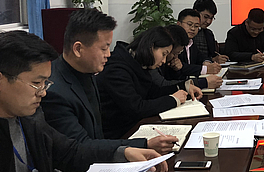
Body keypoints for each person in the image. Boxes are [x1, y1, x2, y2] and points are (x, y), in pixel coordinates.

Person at [0, 31, 167, 172]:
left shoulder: (28, 118)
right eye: (37, 83)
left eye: (46, 83)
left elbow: (71, 151)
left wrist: (124, 152)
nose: (43, 93)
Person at [42, 9, 179, 154]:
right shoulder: (54, 91)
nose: (108, 54)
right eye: (104, 48)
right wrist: (143, 145)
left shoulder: (86, 72)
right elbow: (79, 147)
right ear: (78, 49)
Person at [97, 26, 201, 139]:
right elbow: (137, 108)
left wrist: (184, 87)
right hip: (119, 135)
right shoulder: (117, 69)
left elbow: (154, 92)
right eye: (164, 54)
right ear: (151, 47)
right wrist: (173, 100)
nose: (164, 61)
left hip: (135, 126)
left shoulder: (137, 62)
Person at [176, 9, 223, 88]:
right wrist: (205, 69)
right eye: (189, 24)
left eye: (196, 26)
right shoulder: (174, 44)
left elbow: (201, 57)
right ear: (179, 24)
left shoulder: (191, 42)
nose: (193, 28)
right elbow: (181, 67)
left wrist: (207, 62)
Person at [192, 0, 229, 64]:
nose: (208, 21)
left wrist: (218, 58)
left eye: (211, 18)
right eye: (206, 17)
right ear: (196, 12)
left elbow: (212, 54)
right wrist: (212, 59)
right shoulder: (187, 32)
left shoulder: (209, 34)